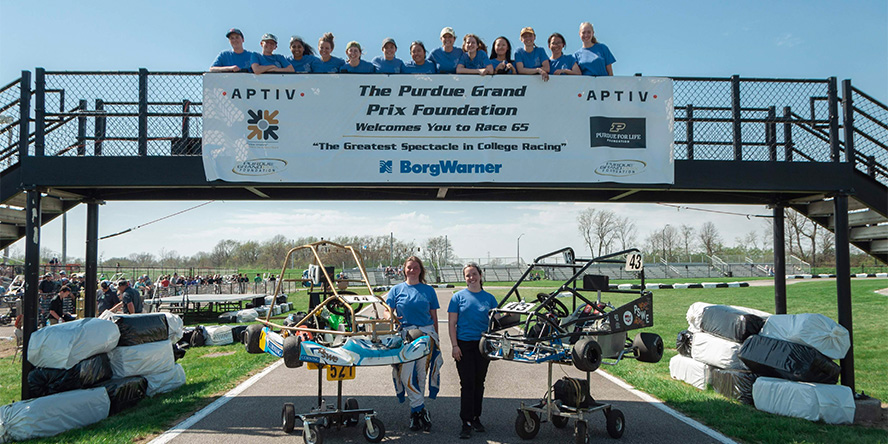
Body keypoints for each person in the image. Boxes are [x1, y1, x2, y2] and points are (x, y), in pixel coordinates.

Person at [386, 256, 443, 432]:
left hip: (426, 335)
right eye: (409, 267)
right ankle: (420, 410)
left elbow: (433, 316)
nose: (412, 270)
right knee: (406, 375)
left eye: (415, 267)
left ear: (421, 270)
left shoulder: (428, 290)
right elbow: (388, 312)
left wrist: (437, 339)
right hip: (406, 336)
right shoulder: (396, 290)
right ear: (404, 269)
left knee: (421, 375)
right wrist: (391, 318)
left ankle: (415, 413)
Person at [448, 263, 498, 439]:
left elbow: (496, 322)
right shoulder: (457, 298)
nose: (471, 278)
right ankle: (466, 422)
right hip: (464, 345)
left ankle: (476, 417)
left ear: (480, 275)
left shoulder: (490, 298)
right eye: (468, 275)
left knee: (479, 382)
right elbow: (452, 324)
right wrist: (455, 346)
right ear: (465, 278)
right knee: (467, 383)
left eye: (474, 274)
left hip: (483, 345)